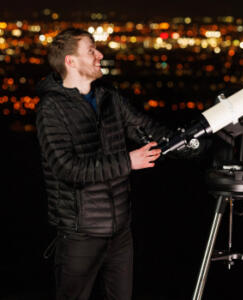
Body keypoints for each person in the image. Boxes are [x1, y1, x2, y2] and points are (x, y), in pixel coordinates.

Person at [36, 28, 185, 299]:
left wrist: (194, 139)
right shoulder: (51, 109)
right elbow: (67, 168)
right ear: (70, 61)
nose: (99, 55)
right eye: (91, 50)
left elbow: (147, 128)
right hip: (80, 235)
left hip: (120, 232)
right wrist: (128, 161)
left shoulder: (109, 98)